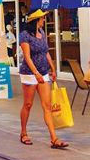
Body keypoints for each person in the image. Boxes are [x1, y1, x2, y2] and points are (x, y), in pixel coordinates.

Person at [18, 9, 67, 149]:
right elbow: (27, 57)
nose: (44, 20)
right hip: (29, 73)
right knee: (28, 104)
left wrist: (53, 68)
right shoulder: (24, 35)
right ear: (36, 20)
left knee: (47, 106)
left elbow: (46, 53)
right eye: (42, 18)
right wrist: (35, 73)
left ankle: (54, 138)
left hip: (44, 72)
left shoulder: (42, 33)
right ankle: (23, 133)